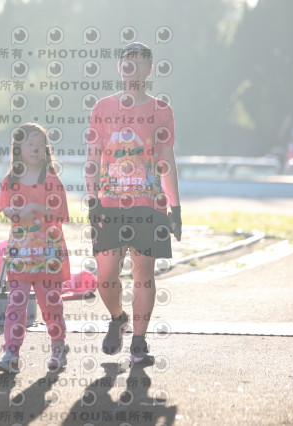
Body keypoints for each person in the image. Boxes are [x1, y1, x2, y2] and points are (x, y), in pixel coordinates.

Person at [85, 42, 182, 367]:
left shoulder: (161, 110)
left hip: (149, 204)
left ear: (149, 70)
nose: (134, 69)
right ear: (120, 68)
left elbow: (167, 160)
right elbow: (93, 156)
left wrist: (176, 207)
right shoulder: (102, 107)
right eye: (129, 62)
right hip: (109, 203)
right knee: (105, 275)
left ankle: (139, 341)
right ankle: (118, 318)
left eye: (141, 63)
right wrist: (92, 197)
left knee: (144, 274)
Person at [0, 123, 70, 374]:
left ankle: (58, 346)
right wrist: (12, 211)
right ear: (19, 148)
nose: (36, 149)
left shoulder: (51, 179)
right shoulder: (11, 180)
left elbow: (60, 212)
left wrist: (35, 208)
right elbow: (4, 208)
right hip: (21, 252)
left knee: (51, 303)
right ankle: (11, 353)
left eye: (40, 145)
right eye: (30, 145)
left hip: (48, 252)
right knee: (16, 303)